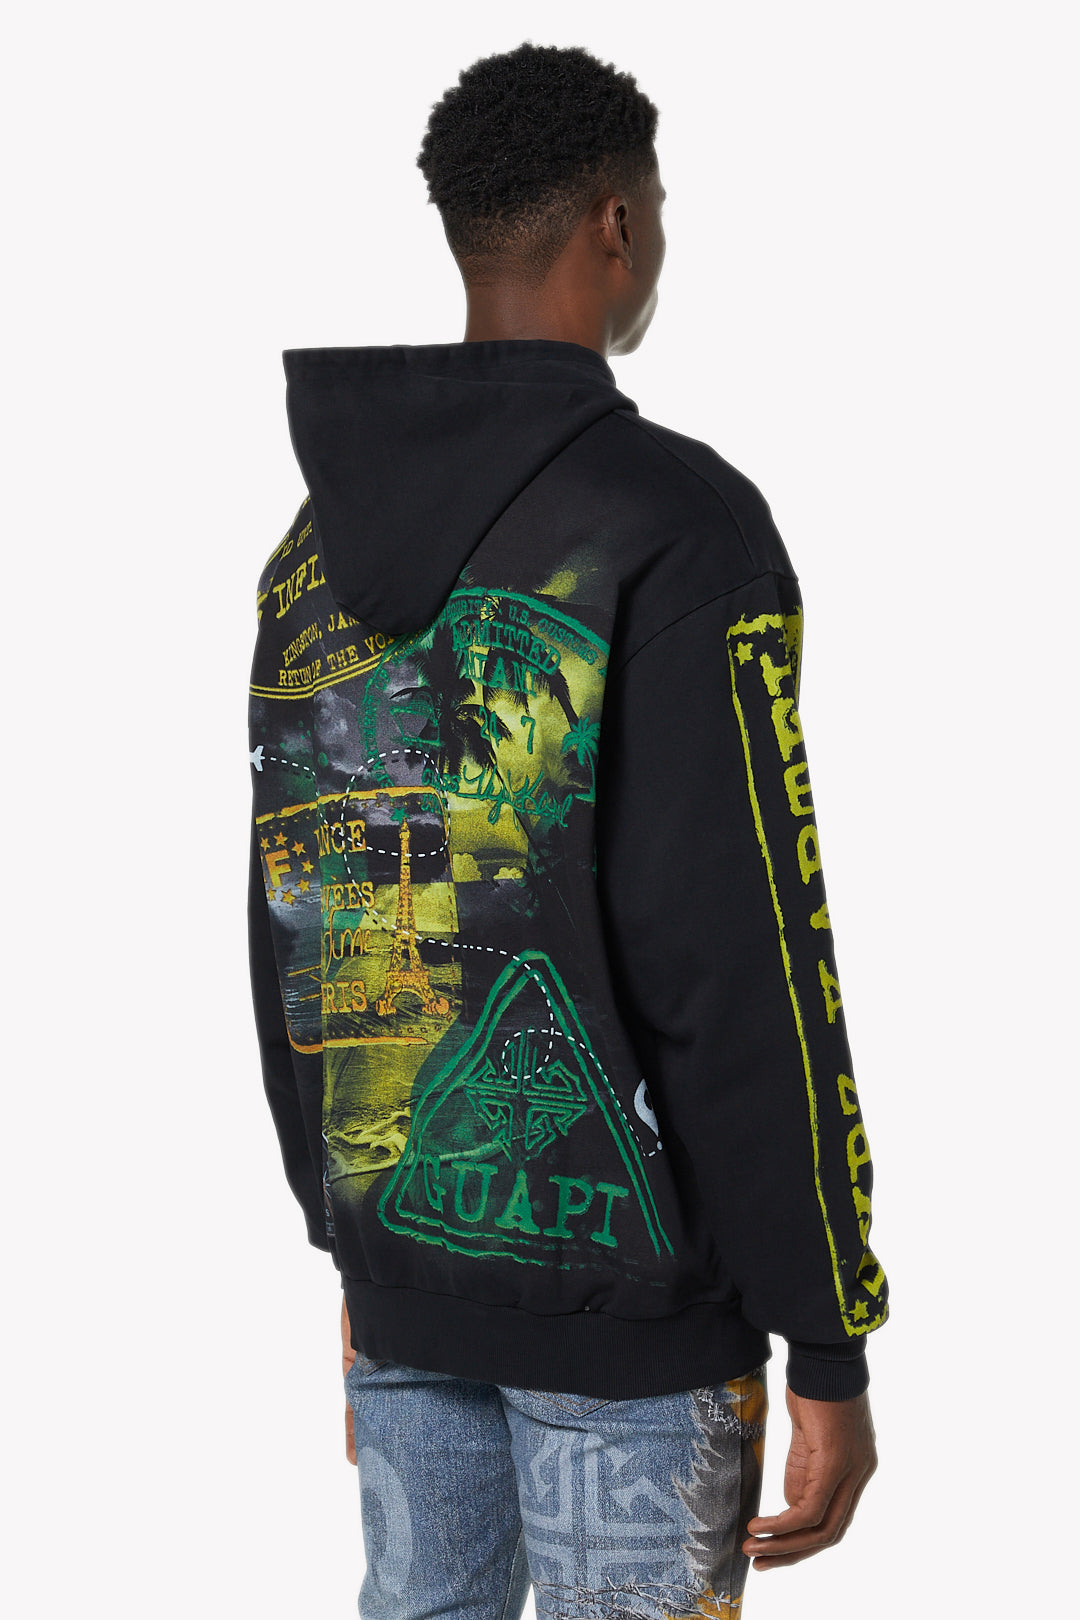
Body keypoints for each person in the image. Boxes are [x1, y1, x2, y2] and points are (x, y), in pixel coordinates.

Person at [247, 40, 888, 1619]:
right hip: (636, 1315)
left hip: (406, 1273)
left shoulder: (309, 556)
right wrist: (828, 1331)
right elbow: (741, 948)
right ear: (615, 221)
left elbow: (297, 921)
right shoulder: (678, 524)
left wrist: (357, 1242)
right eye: (656, 208)